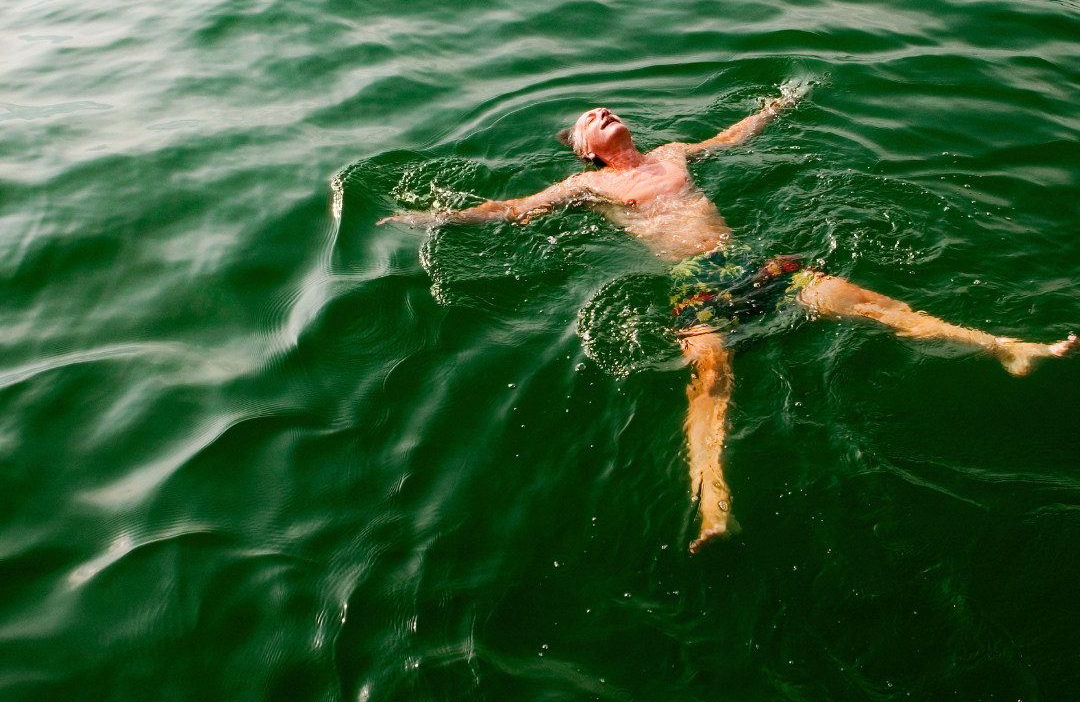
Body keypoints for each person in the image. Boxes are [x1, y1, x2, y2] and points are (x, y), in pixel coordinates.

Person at [378, 87, 1077, 551]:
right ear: (587, 149)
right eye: (592, 119)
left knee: (875, 304)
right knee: (710, 381)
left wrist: (775, 106)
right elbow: (512, 209)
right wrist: (432, 217)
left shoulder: (671, 153)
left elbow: (731, 137)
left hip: (752, 263)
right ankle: (715, 503)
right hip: (698, 284)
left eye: (606, 109)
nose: (603, 113)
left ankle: (1006, 345)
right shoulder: (587, 184)